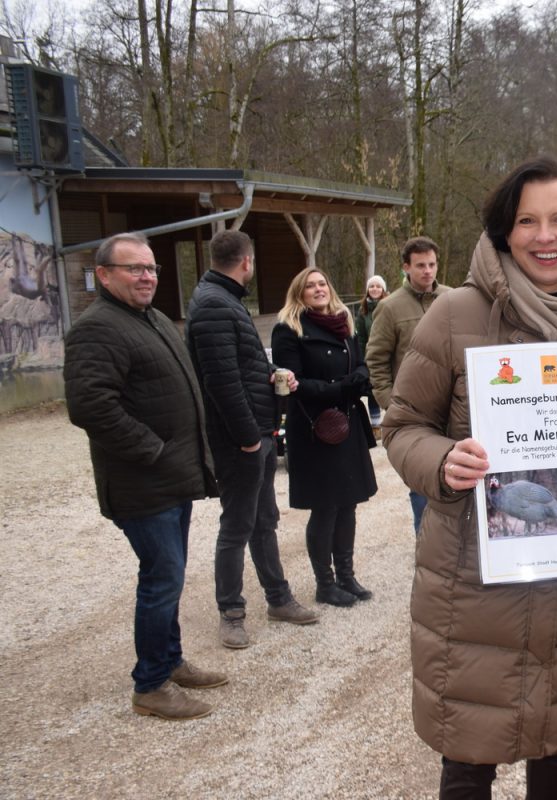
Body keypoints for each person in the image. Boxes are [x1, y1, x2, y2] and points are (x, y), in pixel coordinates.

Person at [381, 155, 557, 799]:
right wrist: (443, 464)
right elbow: (401, 428)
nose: (545, 235)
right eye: (527, 220)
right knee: (468, 755)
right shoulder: (454, 315)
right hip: (471, 583)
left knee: (556, 744)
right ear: (505, 231)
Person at [64, 232, 226, 720]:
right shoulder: (97, 329)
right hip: (143, 482)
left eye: (151, 268)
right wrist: (153, 451)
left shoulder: (151, 319)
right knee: (161, 578)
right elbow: (90, 406)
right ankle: (151, 684)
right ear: (104, 274)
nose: (147, 276)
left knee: (169, 577)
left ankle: (170, 660)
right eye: (134, 268)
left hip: (171, 477)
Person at [186, 229, 318, 649]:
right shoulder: (213, 306)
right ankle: (231, 611)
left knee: (264, 521)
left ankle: (278, 598)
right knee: (237, 526)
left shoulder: (225, 302)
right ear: (247, 262)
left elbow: (237, 370)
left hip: (257, 433)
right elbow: (220, 383)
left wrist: (270, 380)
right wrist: (247, 438)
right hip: (240, 440)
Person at [272, 268, 379, 607]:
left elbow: (361, 364)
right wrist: (341, 387)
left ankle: (346, 576)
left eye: (322, 284)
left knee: (348, 503)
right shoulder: (288, 329)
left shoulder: (343, 322)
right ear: (299, 293)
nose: (318, 289)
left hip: (347, 423)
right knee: (325, 508)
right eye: (309, 286)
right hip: (316, 429)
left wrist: (360, 377)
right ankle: (325, 583)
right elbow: (294, 384)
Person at [365, 236, 450, 534]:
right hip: (415, 413)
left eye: (432, 264)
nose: (428, 271)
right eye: (420, 265)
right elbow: (375, 359)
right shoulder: (389, 308)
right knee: (422, 486)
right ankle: (426, 547)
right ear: (406, 268)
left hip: (455, 407)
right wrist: (391, 402)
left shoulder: (453, 299)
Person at [355, 274, 389, 426]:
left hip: (389, 354)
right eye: (372, 286)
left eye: (378, 286)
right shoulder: (363, 312)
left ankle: (394, 420)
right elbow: (361, 337)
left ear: (383, 289)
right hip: (372, 356)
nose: (375, 289)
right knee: (372, 390)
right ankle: (375, 423)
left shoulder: (390, 306)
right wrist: (363, 359)